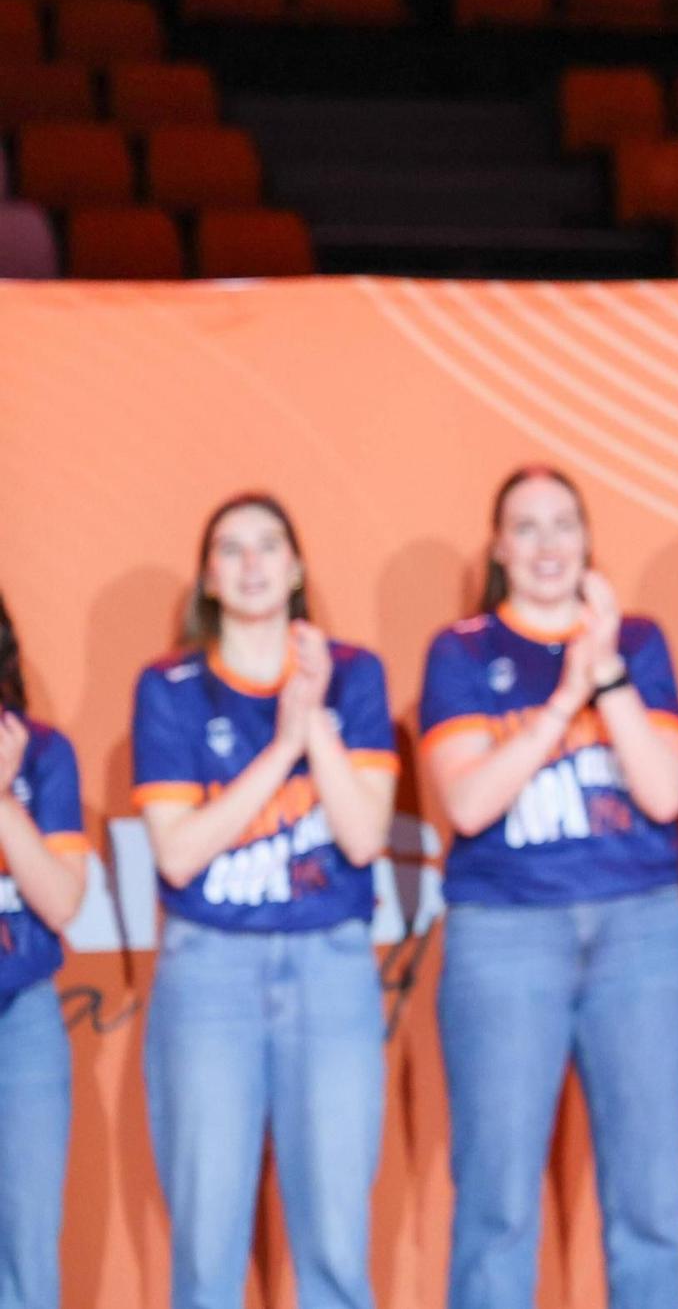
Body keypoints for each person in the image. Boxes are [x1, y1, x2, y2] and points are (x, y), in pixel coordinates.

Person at [419, 465, 678, 1309]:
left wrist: (605, 672)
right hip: (506, 933)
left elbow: (664, 792)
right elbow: (469, 803)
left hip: (639, 931)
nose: (548, 547)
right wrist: (564, 696)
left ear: (586, 539)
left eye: (563, 525)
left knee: (649, 1202)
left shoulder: (639, 642)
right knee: (499, 1200)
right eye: (527, 528)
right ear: (500, 547)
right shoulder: (463, 648)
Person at [133, 494, 398, 1309]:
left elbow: (362, 839)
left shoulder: (354, 673)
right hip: (210, 967)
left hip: (330, 965)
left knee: (333, 1242)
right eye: (231, 550)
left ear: (297, 567)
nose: (252, 566)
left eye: (269, 547)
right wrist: (280, 746)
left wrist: (311, 717)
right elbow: (178, 853)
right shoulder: (170, 685)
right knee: (208, 1244)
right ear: (208, 577)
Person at [0, 591, 88, 1309]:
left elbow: (61, 900)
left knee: (28, 1250)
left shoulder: (42, 751)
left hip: (21, 1017)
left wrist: (2, 797)